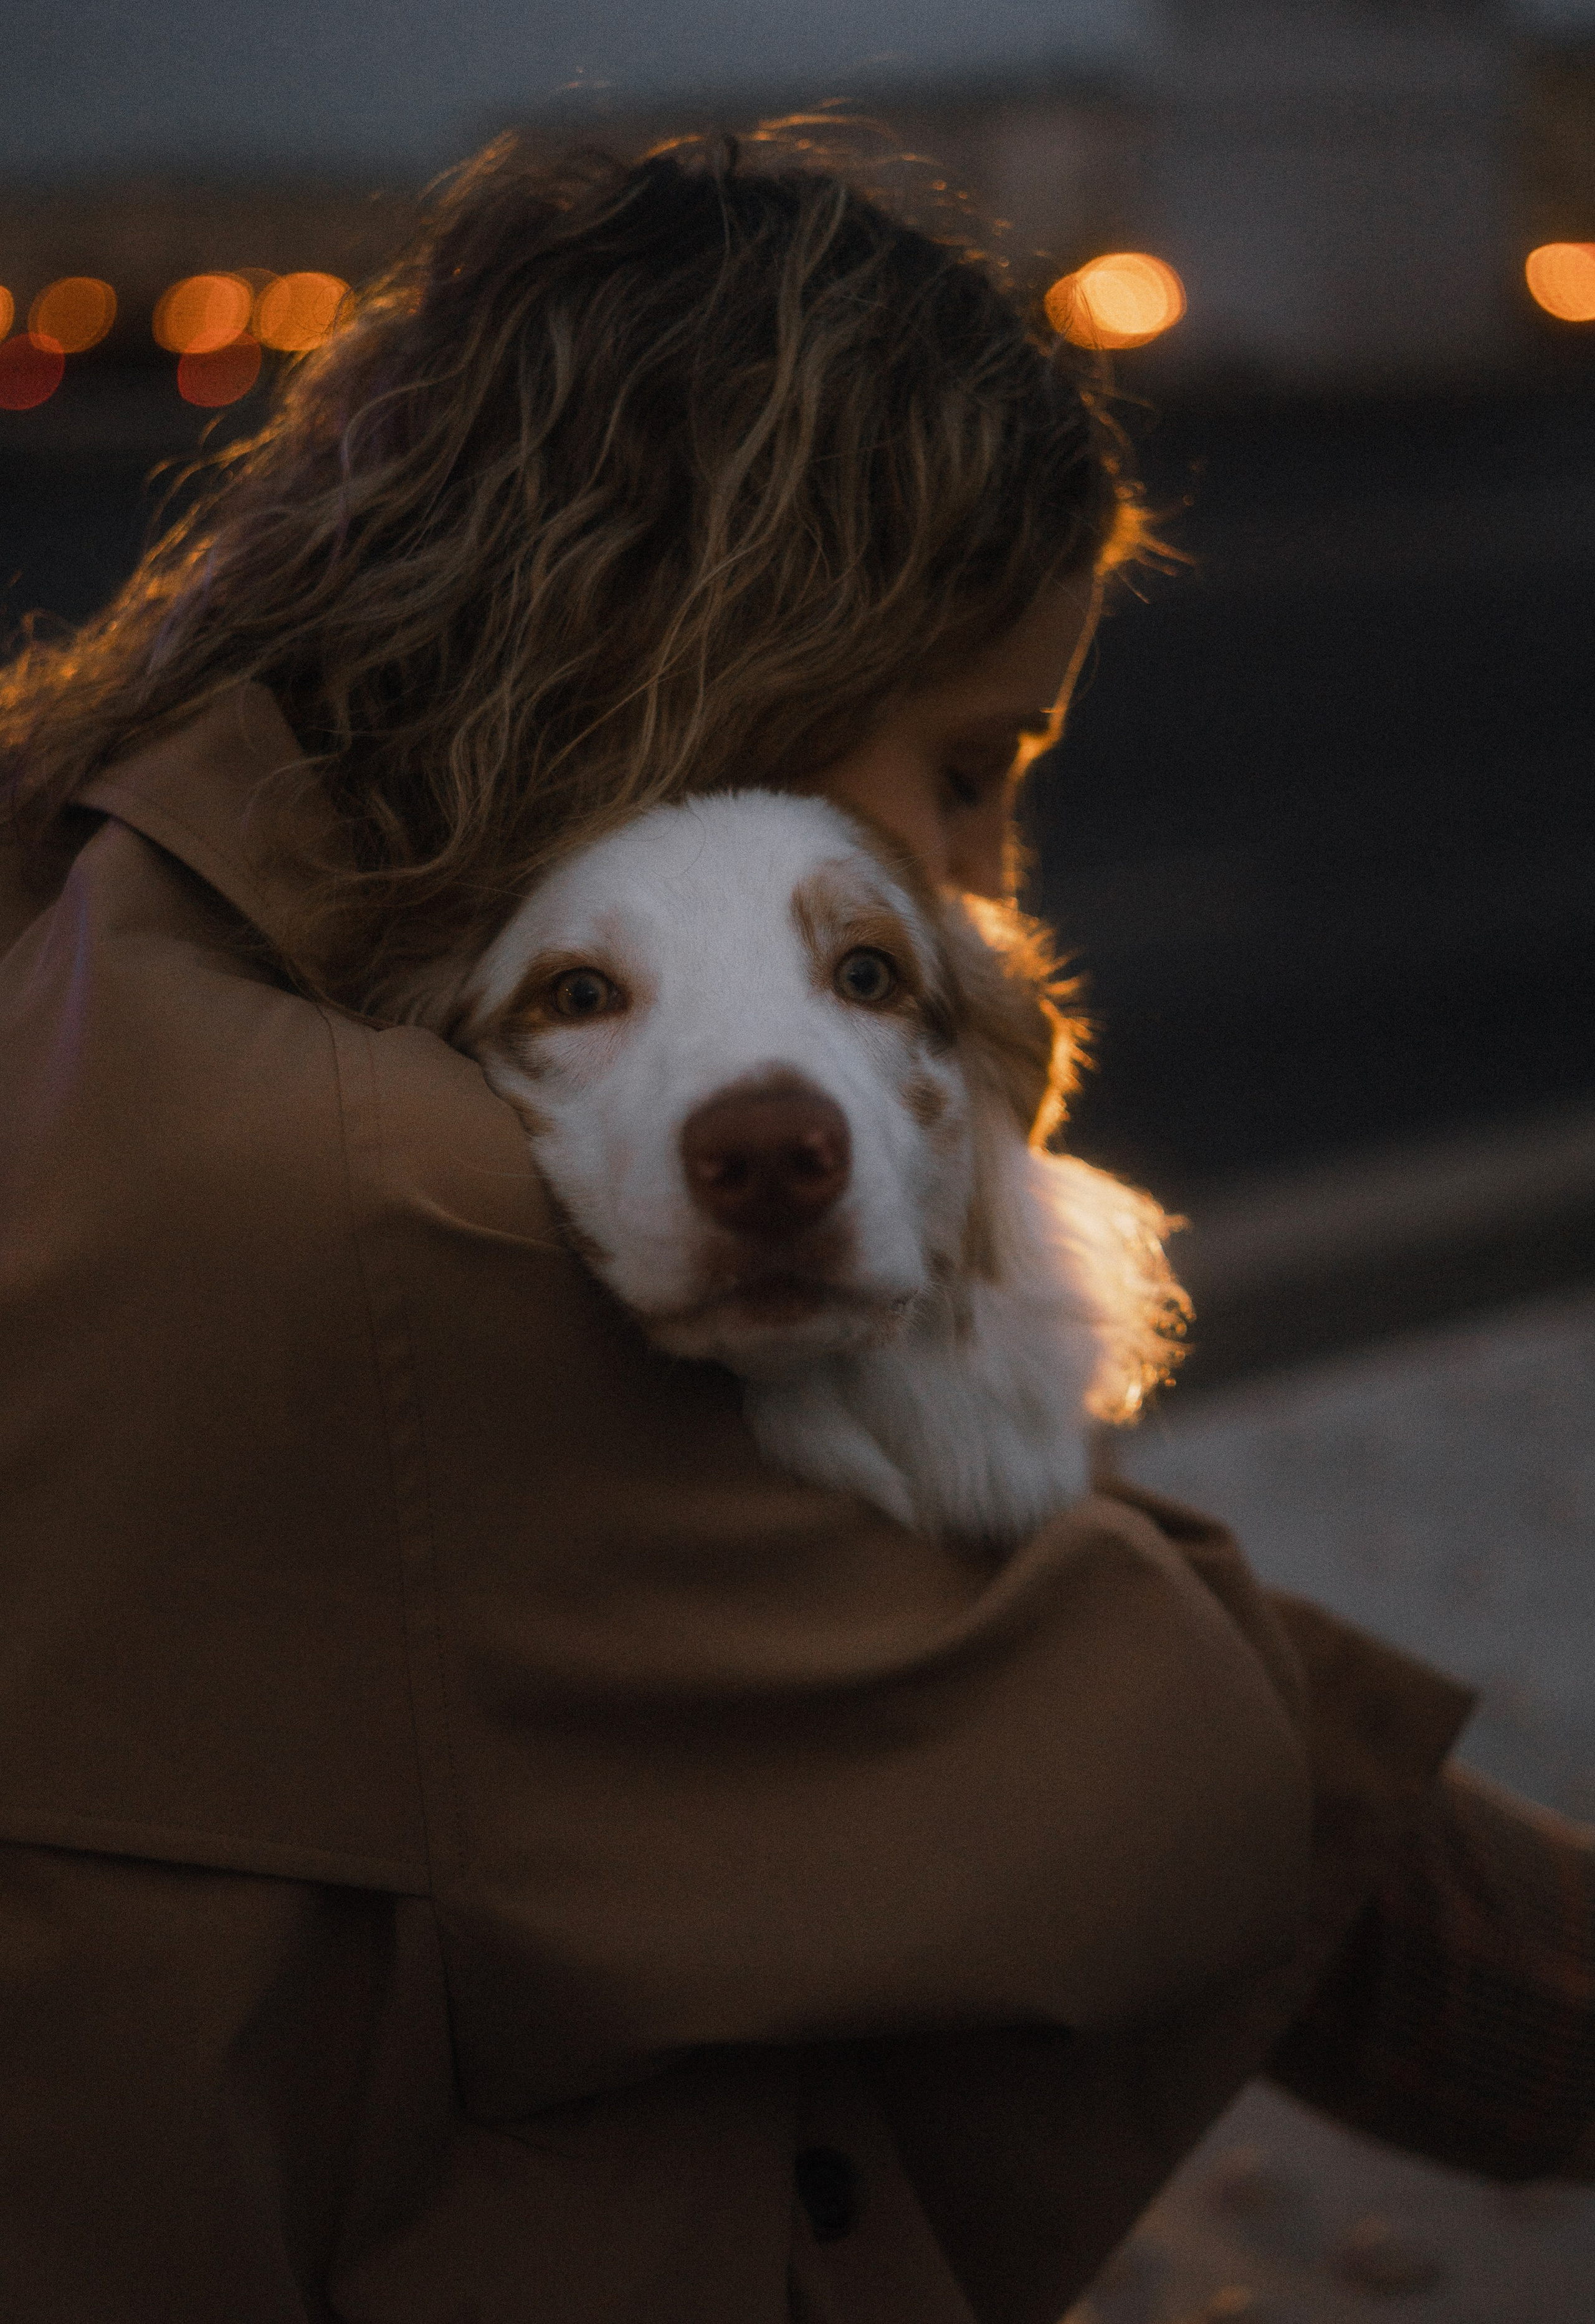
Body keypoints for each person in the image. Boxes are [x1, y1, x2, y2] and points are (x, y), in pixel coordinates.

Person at [0, 132, 1589, 2324]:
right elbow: (1170, 1779)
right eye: (972, 765)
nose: (990, 879)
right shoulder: (391, 1216)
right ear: (718, 664)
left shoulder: (118, 917)